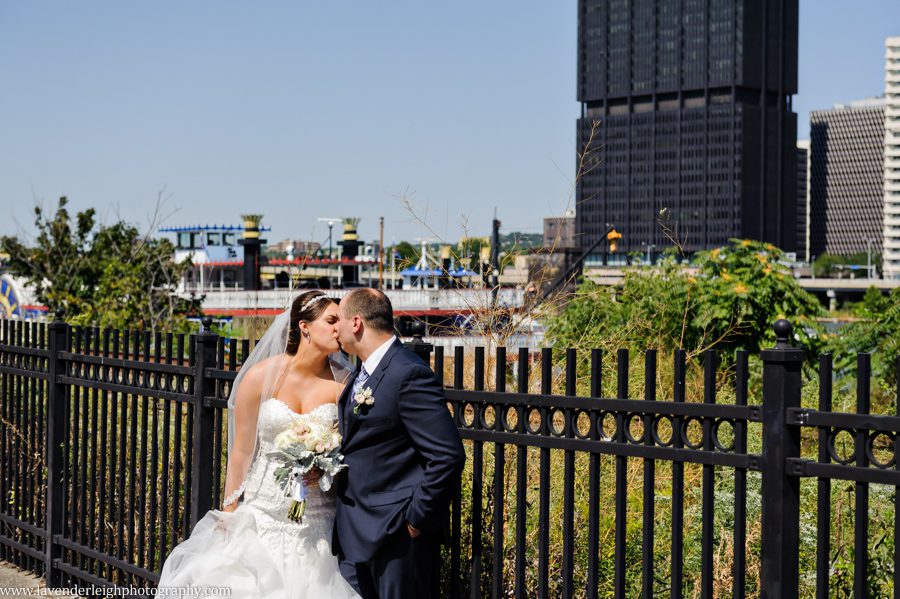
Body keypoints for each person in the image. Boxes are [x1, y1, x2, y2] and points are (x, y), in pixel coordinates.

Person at [157, 290, 359, 598]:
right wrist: (229, 508)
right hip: (261, 514)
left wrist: (324, 470)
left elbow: (352, 449)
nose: (338, 329)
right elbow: (241, 451)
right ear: (304, 326)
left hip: (317, 521)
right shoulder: (261, 376)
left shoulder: (344, 383)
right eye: (331, 320)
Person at [333, 288, 466, 598]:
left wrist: (416, 520)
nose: (334, 328)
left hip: (395, 536)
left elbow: (447, 455)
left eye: (337, 319)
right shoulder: (358, 375)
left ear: (356, 323)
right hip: (354, 535)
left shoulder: (408, 373)